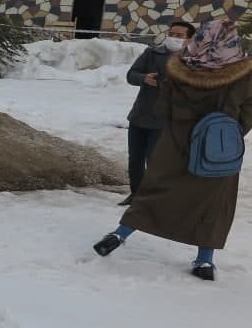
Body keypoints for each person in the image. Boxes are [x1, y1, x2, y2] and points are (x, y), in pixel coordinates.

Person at [93, 20, 252, 282]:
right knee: (212, 204)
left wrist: (179, 129)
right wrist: (229, 132)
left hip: (175, 143)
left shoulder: (181, 67)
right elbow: (248, 109)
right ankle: (204, 261)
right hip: (218, 148)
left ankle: (119, 235)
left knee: (156, 191)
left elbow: (163, 106)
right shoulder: (243, 74)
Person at [120, 21, 196, 205]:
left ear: (189, 39)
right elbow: (131, 75)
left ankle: (153, 197)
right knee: (135, 159)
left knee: (154, 160)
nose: (174, 38)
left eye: (179, 36)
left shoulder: (193, 61)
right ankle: (136, 194)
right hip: (140, 115)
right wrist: (144, 78)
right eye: (172, 34)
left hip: (165, 119)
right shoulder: (152, 53)